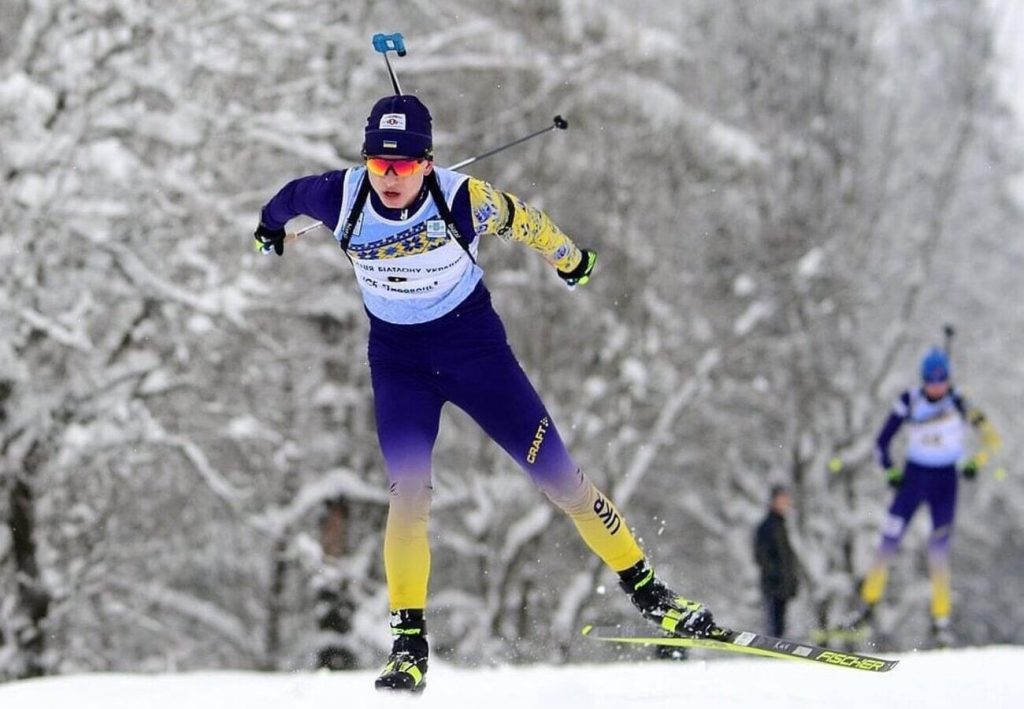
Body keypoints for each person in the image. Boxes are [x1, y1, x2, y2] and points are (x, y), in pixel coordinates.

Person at [253, 94, 715, 694]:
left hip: (477, 357)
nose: (391, 178)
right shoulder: (338, 196)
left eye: (406, 165)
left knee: (561, 481)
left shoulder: (464, 198)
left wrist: (571, 261)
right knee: (408, 494)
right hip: (400, 367)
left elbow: (531, 223)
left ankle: (653, 596)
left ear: (429, 162)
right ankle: (409, 646)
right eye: (379, 165)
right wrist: (269, 232)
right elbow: (282, 201)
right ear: (365, 161)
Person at [850, 347, 1001, 646]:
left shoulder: (961, 402)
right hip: (914, 479)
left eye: (941, 380)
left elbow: (992, 439)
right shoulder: (909, 400)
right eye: (930, 381)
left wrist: (975, 463)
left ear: (947, 379)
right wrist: (890, 471)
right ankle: (867, 606)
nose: (936, 386)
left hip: (945, 483)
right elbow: (881, 442)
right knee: (888, 541)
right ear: (922, 380)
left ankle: (940, 620)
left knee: (939, 551)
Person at [753, 484, 800, 637]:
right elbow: (762, 555)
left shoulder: (781, 525)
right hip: (773, 585)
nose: (786, 503)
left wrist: (791, 580)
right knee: (773, 623)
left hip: (783, 585)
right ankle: (772, 653)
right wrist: (775, 575)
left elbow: (787, 557)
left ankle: (779, 649)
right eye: (782, 499)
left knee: (781, 623)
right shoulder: (768, 526)